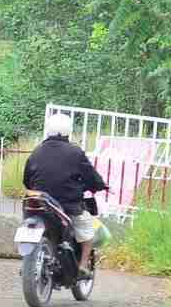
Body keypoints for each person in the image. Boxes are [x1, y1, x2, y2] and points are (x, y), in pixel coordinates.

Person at [22, 112, 108, 276]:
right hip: (67, 206)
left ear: (48, 130)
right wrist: (100, 185)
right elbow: (91, 176)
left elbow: (26, 180)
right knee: (87, 231)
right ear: (68, 131)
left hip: (39, 204)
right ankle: (83, 266)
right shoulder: (75, 152)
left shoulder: (37, 151)